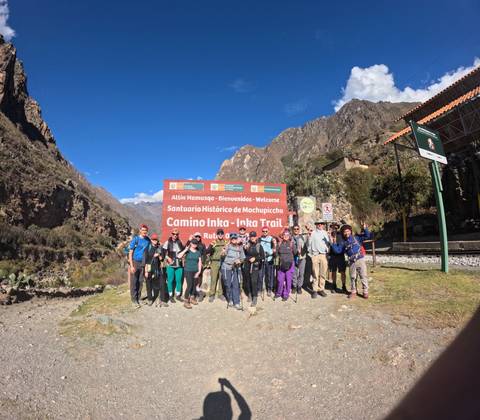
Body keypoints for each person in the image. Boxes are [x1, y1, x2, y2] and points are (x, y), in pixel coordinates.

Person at [332, 223, 372, 299]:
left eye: (347, 231)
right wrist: (333, 243)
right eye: (344, 232)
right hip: (351, 261)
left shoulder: (357, 238)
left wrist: (365, 228)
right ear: (343, 233)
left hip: (360, 259)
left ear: (350, 231)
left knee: (363, 276)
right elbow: (338, 251)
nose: (346, 233)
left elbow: (367, 236)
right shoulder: (343, 243)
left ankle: (365, 292)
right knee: (353, 277)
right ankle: (353, 291)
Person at [128, 224, 151, 308]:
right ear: (140, 230)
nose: (144, 232)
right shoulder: (136, 239)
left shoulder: (148, 240)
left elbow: (148, 252)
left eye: (146, 230)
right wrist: (131, 266)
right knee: (134, 282)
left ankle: (139, 298)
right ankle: (134, 300)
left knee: (141, 281)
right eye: (143, 230)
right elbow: (130, 253)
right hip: (135, 262)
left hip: (143, 263)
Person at [221, 233, 245, 310]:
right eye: (232, 239)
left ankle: (237, 302)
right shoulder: (227, 246)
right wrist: (223, 252)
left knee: (235, 284)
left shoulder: (240, 248)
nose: (234, 240)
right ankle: (230, 299)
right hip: (227, 267)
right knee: (227, 284)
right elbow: (222, 254)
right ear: (230, 240)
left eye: (235, 238)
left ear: (237, 239)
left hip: (236, 268)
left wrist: (240, 261)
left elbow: (243, 258)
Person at [143, 233, 168, 307]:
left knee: (162, 284)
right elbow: (145, 260)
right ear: (151, 240)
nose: (155, 241)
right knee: (149, 284)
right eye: (153, 239)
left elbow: (162, 259)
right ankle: (150, 299)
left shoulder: (160, 248)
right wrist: (146, 271)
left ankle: (163, 300)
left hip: (158, 269)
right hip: (149, 268)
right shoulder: (147, 248)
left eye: (156, 239)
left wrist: (160, 255)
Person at [308, 220, 330, 298]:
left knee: (323, 273)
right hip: (315, 255)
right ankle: (315, 290)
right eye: (318, 224)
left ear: (323, 225)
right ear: (316, 225)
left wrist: (327, 250)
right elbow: (309, 244)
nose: (320, 225)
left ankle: (321, 289)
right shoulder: (312, 233)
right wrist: (311, 254)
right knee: (315, 273)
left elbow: (328, 243)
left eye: (321, 224)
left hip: (323, 255)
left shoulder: (325, 233)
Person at [178, 238, 203, 309]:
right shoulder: (187, 251)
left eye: (196, 243)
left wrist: (199, 271)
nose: (194, 245)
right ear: (190, 243)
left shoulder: (198, 252)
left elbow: (199, 262)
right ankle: (186, 301)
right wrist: (186, 249)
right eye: (193, 243)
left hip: (195, 270)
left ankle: (192, 298)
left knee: (194, 285)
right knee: (189, 285)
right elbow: (179, 256)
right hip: (188, 270)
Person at [162, 228, 185, 303]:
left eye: (176, 234)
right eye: (173, 234)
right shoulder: (167, 242)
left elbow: (184, 251)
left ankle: (178, 295)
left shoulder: (180, 242)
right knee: (170, 281)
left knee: (179, 280)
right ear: (171, 234)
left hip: (179, 265)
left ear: (178, 235)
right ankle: (170, 296)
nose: (175, 235)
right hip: (170, 265)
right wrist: (167, 257)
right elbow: (163, 253)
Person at [243, 231, 265, 307]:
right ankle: (249, 294)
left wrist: (255, 258)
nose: (252, 237)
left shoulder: (259, 246)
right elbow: (244, 254)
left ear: (256, 237)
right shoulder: (247, 245)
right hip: (247, 264)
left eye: (254, 236)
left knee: (254, 281)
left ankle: (255, 297)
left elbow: (263, 257)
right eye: (251, 236)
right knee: (248, 280)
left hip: (255, 265)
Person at [206, 229, 227, 302]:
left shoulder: (226, 242)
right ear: (217, 235)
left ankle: (220, 294)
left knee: (222, 279)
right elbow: (208, 251)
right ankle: (212, 294)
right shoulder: (214, 242)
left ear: (223, 234)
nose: (220, 235)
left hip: (223, 262)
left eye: (221, 233)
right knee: (214, 279)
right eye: (219, 234)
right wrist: (211, 246)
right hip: (214, 262)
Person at [276, 229, 296, 301]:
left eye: (287, 235)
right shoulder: (279, 244)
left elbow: (295, 252)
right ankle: (279, 293)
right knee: (280, 280)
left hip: (290, 264)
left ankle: (286, 294)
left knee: (288, 280)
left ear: (289, 236)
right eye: (284, 235)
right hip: (281, 264)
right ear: (282, 236)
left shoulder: (291, 244)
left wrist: (298, 249)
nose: (286, 236)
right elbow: (276, 254)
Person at [186, 232, 207, 301]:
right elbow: (185, 248)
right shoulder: (191, 244)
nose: (198, 237)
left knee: (198, 280)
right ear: (194, 237)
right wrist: (189, 240)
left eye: (199, 236)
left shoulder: (202, 245)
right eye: (196, 236)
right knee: (191, 282)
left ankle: (197, 294)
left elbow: (204, 254)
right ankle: (191, 295)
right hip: (191, 266)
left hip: (199, 265)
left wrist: (203, 263)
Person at [328, 222, 347, 294]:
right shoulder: (329, 235)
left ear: (338, 227)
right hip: (332, 255)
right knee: (333, 271)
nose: (334, 228)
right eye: (332, 227)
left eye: (336, 227)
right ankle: (334, 285)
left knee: (342, 272)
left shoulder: (341, 235)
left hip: (340, 255)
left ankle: (344, 286)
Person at [259, 227, 277, 297]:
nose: (265, 232)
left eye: (266, 231)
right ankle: (260, 289)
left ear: (268, 231)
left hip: (270, 259)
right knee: (261, 276)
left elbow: (274, 248)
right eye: (263, 231)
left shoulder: (272, 239)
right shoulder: (260, 239)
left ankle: (269, 289)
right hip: (262, 259)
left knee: (269, 275)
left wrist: (270, 253)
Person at [292, 224, 307, 294]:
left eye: (297, 229)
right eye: (295, 229)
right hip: (293, 257)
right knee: (294, 273)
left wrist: (301, 251)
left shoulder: (302, 237)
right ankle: (294, 286)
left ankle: (299, 286)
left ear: (299, 229)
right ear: (293, 230)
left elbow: (306, 246)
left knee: (301, 273)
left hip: (302, 257)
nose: (296, 230)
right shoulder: (290, 238)